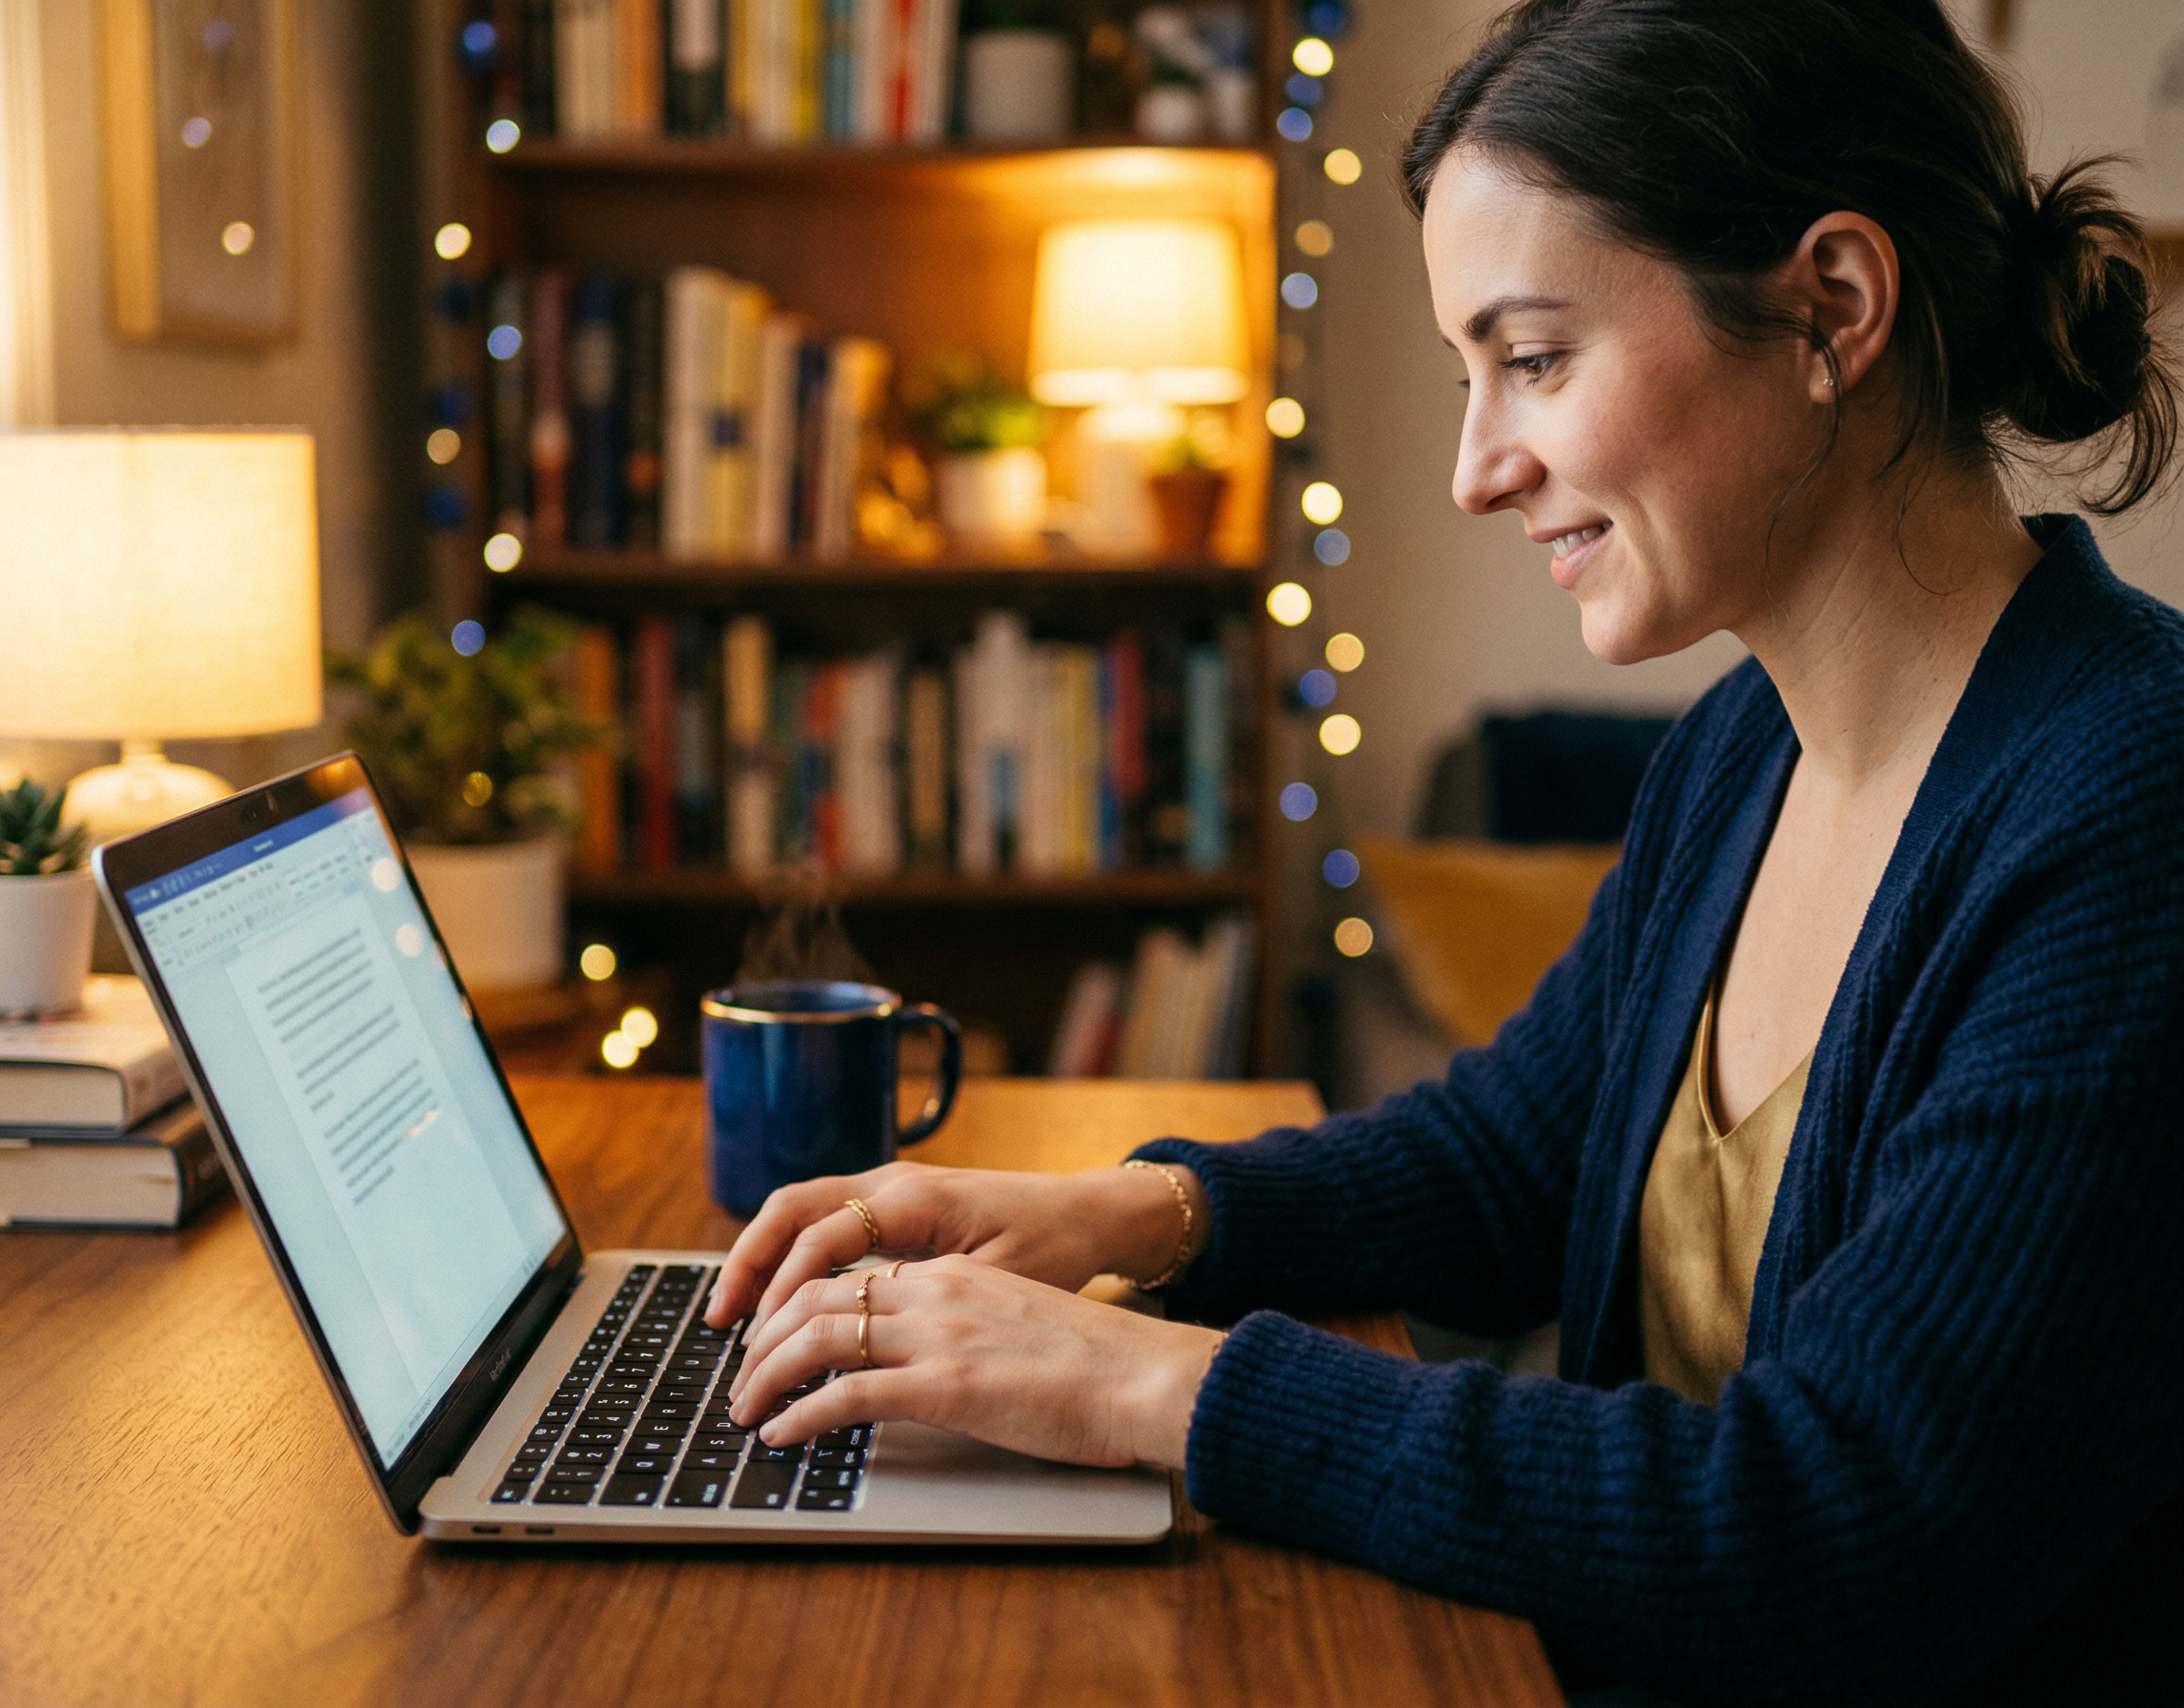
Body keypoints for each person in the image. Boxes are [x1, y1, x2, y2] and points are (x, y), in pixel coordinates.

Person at [709, 3, 2184, 1700]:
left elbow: (1832, 1521)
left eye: (1535, 358)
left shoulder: (2130, 821)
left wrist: (1139, 1386)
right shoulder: (1744, 755)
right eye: (1470, 372)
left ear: (1830, 306)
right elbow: (1507, 1162)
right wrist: (1121, 1217)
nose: (1480, 468)